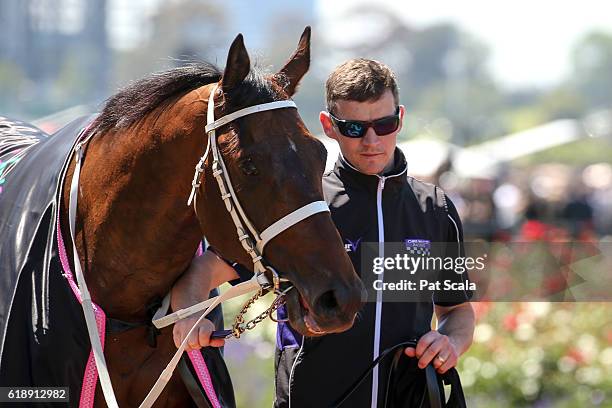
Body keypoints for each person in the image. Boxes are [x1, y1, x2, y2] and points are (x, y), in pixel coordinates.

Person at [172, 58, 475, 407]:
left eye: (385, 124)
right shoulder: (301, 209)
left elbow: (457, 311)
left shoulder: (435, 209)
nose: (372, 140)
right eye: (355, 128)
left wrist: (449, 341)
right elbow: (202, 272)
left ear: (400, 119)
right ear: (329, 126)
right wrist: (190, 317)